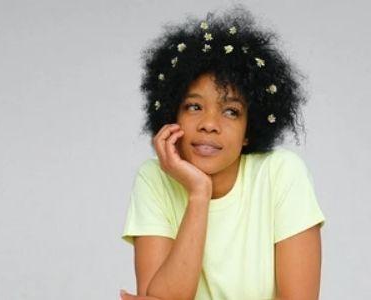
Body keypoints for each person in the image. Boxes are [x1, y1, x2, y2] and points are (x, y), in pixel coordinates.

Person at [120, 6, 326, 300]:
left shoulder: (281, 174)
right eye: (194, 106)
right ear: (172, 115)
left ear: (249, 130)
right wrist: (199, 194)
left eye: (230, 111)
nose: (209, 125)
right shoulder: (155, 178)